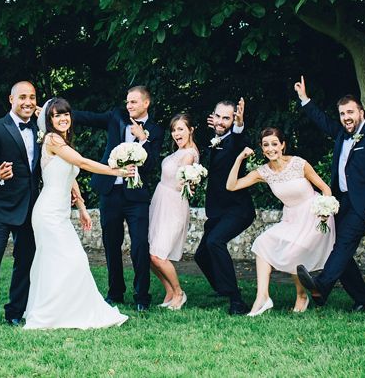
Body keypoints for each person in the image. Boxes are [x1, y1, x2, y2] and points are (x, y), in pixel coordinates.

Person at [23, 98, 132, 329]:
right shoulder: (52, 140)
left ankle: (59, 311)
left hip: (60, 213)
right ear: (49, 120)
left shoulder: (64, 142)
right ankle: (51, 313)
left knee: (59, 261)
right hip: (48, 213)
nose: (63, 119)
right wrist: (118, 171)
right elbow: (82, 163)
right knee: (73, 259)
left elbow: (71, 177)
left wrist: (81, 206)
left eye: (66, 114)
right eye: (56, 115)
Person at [294, 77, 365, 312]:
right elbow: (322, 121)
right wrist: (305, 100)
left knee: (343, 242)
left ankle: (321, 286)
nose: (346, 117)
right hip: (343, 201)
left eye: (350, 112)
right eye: (342, 113)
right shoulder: (341, 134)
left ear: (361, 112)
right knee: (339, 248)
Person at [73, 86, 164, 311]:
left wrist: (144, 140)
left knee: (140, 245)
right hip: (110, 192)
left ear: (146, 103)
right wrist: (58, 112)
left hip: (137, 197)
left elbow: (152, 166)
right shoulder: (116, 116)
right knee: (111, 243)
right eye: (127, 102)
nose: (129, 106)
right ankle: (115, 293)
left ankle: (142, 296)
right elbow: (89, 118)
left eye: (133, 102)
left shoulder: (155, 130)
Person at [226, 127, 334, 315]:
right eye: (266, 145)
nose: (270, 149)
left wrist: (325, 209)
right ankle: (262, 297)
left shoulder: (299, 164)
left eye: (274, 144)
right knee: (262, 242)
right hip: (291, 218)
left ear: (282, 145)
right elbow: (232, 186)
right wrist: (239, 159)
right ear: (261, 148)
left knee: (295, 249)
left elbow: (325, 189)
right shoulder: (263, 172)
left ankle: (301, 295)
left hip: (315, 215)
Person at [0, 81, 41, 335]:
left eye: (32, 97)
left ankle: (15, 312)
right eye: (22, 97)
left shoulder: (41, 129)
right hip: (0, 206)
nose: (28, 102)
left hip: (30, 206)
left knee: (25, 261)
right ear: (10, 99)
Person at [194, 98, 254, 315]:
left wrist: (239, 124)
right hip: (217, 210)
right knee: (201, 255)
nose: (220, 121)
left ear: (233, 120)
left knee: (215, 242)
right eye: (217, 116)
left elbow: (240, 138)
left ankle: (236, 300)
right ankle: (222, 287)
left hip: (238, 209)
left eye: (226, 118)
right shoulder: (215, 139)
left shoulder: (236, 141)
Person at [148, 113, 199, 311]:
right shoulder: (179, 152)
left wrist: (188, 183)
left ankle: (179, 292)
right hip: (161, 201)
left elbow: (182, 180)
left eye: (181, 129)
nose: (176, 134)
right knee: (150, 253)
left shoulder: (189, 154)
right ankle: (169, 291)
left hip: (173, 204)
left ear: (191, 130)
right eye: (174, 130)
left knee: (158, 256)